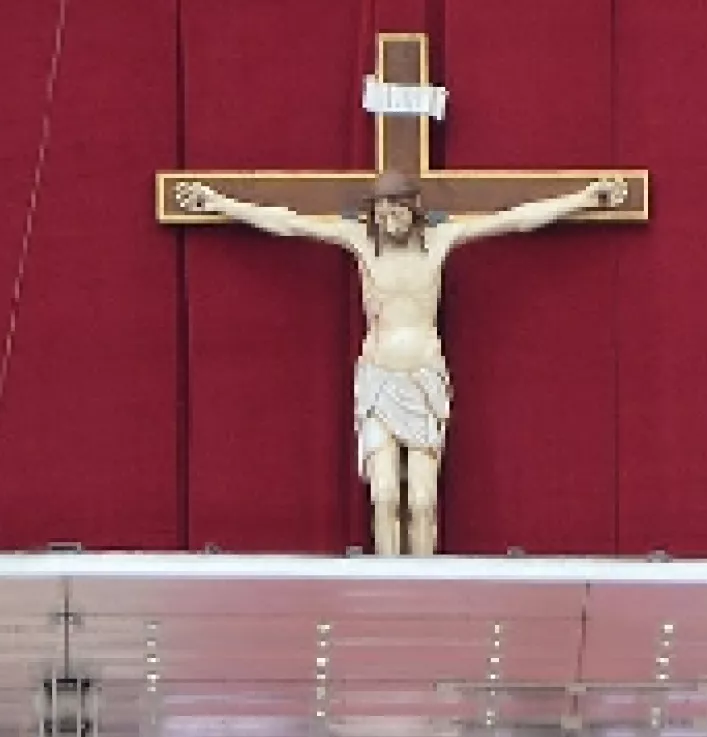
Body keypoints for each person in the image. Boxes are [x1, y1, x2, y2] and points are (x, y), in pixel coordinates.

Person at [185, 168, 624, 556]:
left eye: (395, 208)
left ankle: (424, 588)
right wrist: (219, 203)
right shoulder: (359, 241)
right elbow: (288, 224)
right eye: (379, 209)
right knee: (384, 497)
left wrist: (583, 199)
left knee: (421, 501)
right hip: (378, 378)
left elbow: (515, 220)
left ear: (413, 209)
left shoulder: (440, 241)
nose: (385, 217)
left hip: (423, 378)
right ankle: (389, 589)